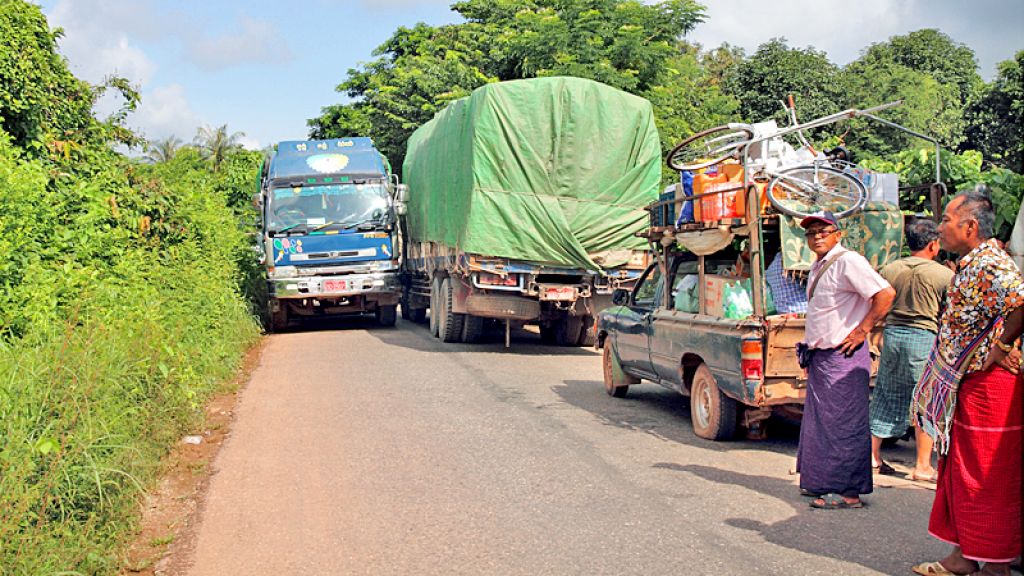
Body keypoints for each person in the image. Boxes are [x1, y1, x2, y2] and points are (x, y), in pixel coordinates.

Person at [913, 189, 1024, 576]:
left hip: (991, 387)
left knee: (987, 474)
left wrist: (1003, 344)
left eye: (946, 220)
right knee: (960, 468)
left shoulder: (991, 263)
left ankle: (995, 566)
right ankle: (964, 555)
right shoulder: (971, 262)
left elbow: (1022, 302)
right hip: (970, 384)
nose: (939, 227)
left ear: (970, 227)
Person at [795, 211, 894, 509]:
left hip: (843, 356)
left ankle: (848, 492)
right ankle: (822, 482)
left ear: (839, 234)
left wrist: (863, 330)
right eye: (812, 232)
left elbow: (885, 294)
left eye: (824, 231)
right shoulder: (819, 265)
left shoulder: (848, 261)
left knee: (843, 425)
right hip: (823, 357)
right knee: (824, 425)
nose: (817, 236)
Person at [868, 218, 953, 481]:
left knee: (885, 393)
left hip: (892, 337)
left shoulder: (890, 269)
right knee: (924, 401)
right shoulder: (944, 274)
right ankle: (922, 466)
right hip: (923, 338)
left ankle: (872, 457)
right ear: (933, 244)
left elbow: (876, 299)